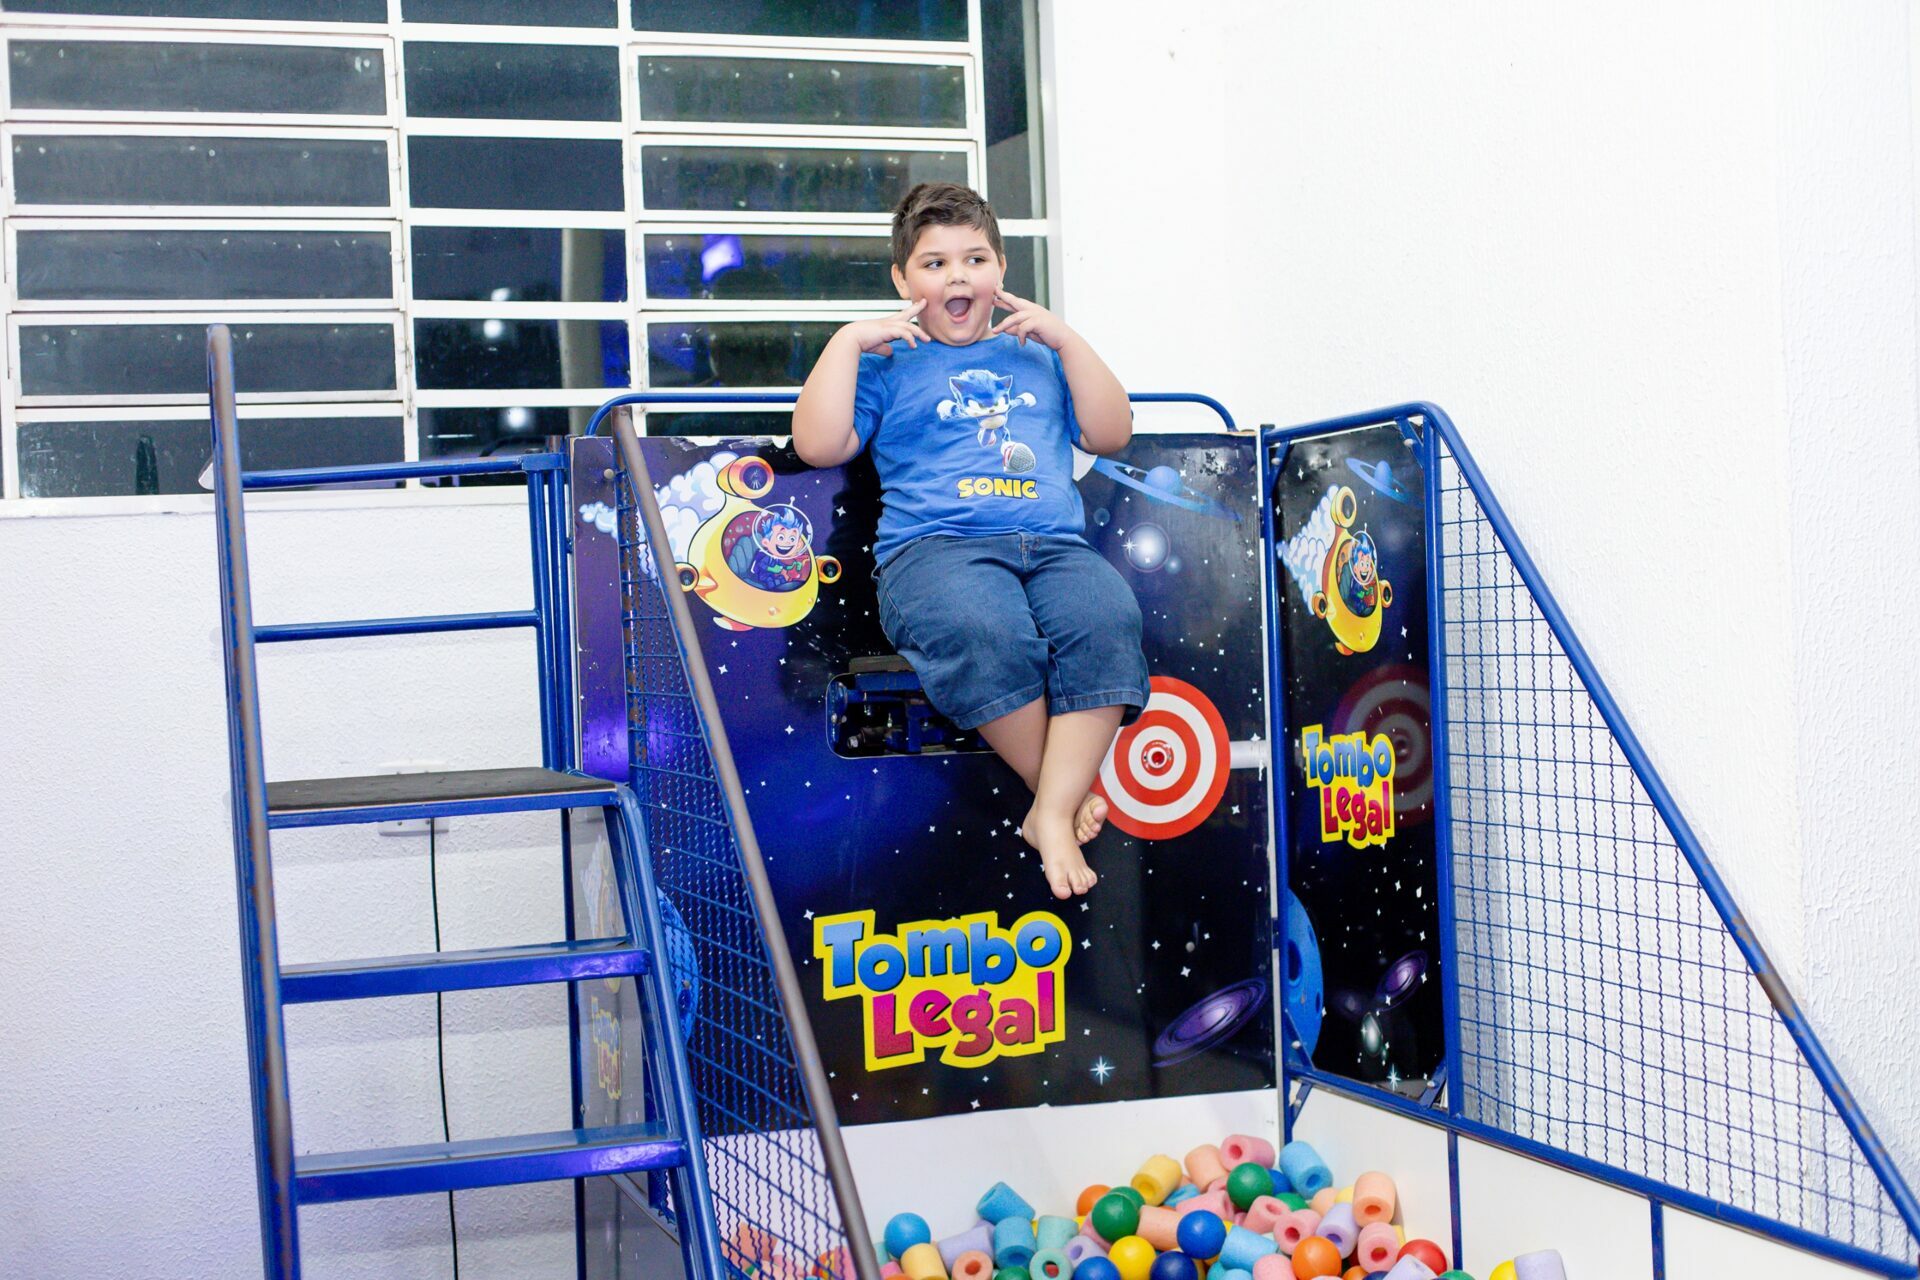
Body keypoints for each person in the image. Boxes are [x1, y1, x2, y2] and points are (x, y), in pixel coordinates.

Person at [791, 181, 1147, 899]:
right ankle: (1057, 803)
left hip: (1053, 548)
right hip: (936, 551)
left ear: (1001, 270)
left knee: (1107, 616)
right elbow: (818, 444)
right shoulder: (889, 362)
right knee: (983, 630)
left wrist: (1068, 340)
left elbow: (1111, 433)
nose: (957, 276)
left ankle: (1049, 811)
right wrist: (846, 341)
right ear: (903, 281)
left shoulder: (1040, 356)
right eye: (935, 263)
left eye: (974, 259)